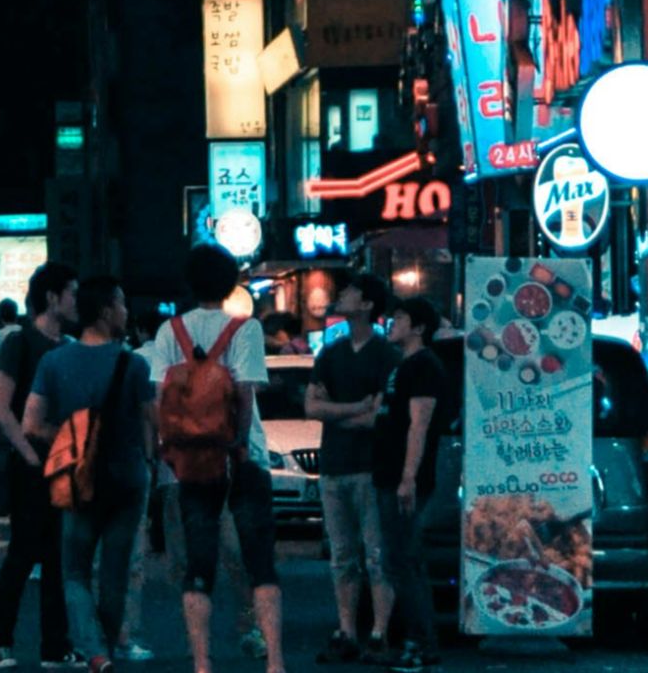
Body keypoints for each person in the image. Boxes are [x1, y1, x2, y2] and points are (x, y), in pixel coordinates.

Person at [143, 243, 284, 673]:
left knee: (198, 565)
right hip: (243, 457)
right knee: (260, 562)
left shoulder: (171, 332)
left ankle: (202, 664)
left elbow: (158, 398)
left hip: (191, 462)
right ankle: (274, 661)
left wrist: (171, 448)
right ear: (230, 284)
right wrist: (238, 446)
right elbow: (244, 391)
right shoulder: (245, 329)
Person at [23, 276, 156, 673]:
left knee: (75, 571)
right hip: (127, 478)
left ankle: (94, 652)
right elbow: (154, 423)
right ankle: (108, 652)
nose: (126, 311)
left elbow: (31, 424)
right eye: (122, 304)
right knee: (114, 571)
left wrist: (71, 439)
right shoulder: (134, 365)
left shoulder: (54, 361)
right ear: (106, 311)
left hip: (78, 477)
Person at [0, 262, 79, 670]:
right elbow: (1, 407)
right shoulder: (21, 342)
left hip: (64, 463)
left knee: (60, 556)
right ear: (52, 297)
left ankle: (55, 646)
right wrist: (27, 453)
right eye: (71, 293)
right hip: (30, 463)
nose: (77, 301)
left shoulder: (70, 346)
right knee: (23, 553)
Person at [305, 270, 398, 664]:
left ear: (368, 304)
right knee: (344, 553)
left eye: (352, 291)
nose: (342, 295)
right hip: (335, 464)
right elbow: (311, 407)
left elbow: (377, 416)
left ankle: (378, 631)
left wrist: (336, 413)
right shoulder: (331, 353)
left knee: (377, 554)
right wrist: (357, 407)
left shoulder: (385, 354)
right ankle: (347, 629)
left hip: (370, 465)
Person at [372, 298, 449, 672]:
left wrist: (408, 478)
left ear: (418, 327)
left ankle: (420, 643)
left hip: (404, 479)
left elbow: (419, 425)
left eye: (400, 317)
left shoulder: (424, 366)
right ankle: (418, 641)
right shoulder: (403, 366)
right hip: (388, 474)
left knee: (401, 560)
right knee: (403, 560)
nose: (392, 322)